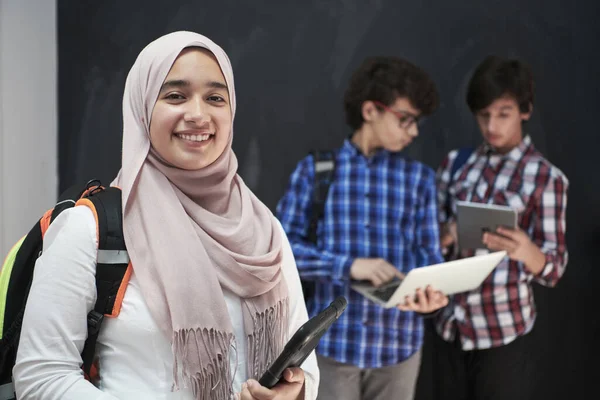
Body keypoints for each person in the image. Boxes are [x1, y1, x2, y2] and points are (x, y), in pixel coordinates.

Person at [13, 31, 318, 400]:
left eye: (215, 98)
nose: (198, 114)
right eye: (175, 95)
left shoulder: (262, 228)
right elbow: (41, 376)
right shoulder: (93, 228)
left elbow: (306, 369)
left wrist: (294, 392)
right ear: (143, 107)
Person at [276, 56, 448, 400]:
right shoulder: (316, 172)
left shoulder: (421, 181)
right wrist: (349, 266)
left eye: (417, 123)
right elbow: (280, 252)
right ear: (370, 110)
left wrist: (432, 294)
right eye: (405, 119)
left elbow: (430, 257)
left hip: (399, 350)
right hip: (333, 348)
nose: (413, 131)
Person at [432, 55, 569, 400]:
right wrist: (447, 232)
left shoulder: (545, 178)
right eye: (484, 115)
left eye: (503, 114)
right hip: (448, 327)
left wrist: (526, 250)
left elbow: (553, 269)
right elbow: (428, 246)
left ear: (525, 111)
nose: (492, 125)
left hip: (502, 332)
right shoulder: (456, 165)